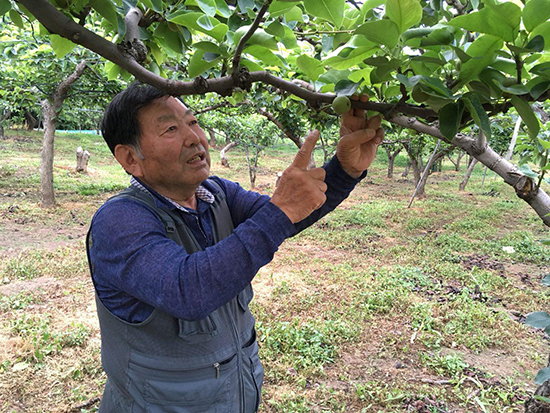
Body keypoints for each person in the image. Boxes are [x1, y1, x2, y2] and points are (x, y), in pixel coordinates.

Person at [86, 82, 384, 413]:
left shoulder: (217, 194)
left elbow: (286, 218)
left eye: (193, 121)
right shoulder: (119, 221)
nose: (195, 137)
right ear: (130, 158)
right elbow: (188, 290)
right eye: (171, 128)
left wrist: (344, 170)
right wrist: (280, 209)